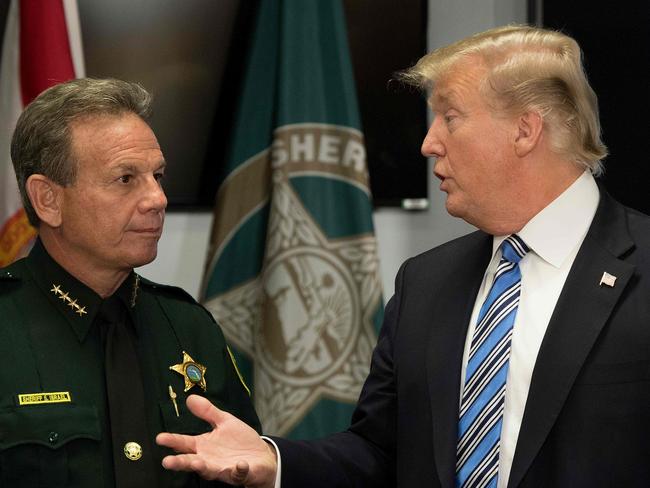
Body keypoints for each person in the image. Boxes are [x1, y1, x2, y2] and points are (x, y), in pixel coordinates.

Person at [158, 25, 650, 487]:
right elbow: (378, 453)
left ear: (525, 130)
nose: (428, 143)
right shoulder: (426, 281)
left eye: (450, 117)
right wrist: (276, 461)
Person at [0, 78, 260, 487]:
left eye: (158, 176)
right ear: (48, 199)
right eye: (125, 179)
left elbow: (246, 466)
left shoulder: (189, 326)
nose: (157, 199)